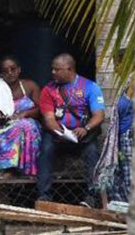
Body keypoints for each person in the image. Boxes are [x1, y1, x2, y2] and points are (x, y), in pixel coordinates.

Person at [37, 53, 105, 208]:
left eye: (57, 70)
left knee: (92, 152)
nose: (52, 72)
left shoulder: (90, 87)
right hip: (57, 135)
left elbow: (99, 115)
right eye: (52, 69)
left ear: (69, 69)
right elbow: (49, 119)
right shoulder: (48, 90)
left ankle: (91, 198)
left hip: (82, 135)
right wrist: (60, 133)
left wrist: (86, 128)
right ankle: (44, 196)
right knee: (46, 150)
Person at [0, 56, 42, 178]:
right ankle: (1, 167)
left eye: (13, 69)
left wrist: (24, 114)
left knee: (25, 125)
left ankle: (20, 169)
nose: (10, 73)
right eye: (5, 71)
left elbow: (40, 109)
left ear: (19, 70)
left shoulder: (30, 86)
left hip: (27, 122)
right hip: (6, 123)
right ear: (1, 74)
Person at [93, 77, 134, 203]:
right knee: (119, 177)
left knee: (131, 179)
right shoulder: (128, 83)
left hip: (132, 138)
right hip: (121, 139)